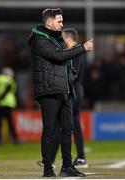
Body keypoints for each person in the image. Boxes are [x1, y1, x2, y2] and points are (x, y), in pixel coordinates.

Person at [29, 8, 93, 177]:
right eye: (59, 21)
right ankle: (48, 169)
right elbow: (58, 56)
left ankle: (67, 167)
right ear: (49, 22)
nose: (62, 24)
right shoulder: (39, 40)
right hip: (48, 90)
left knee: (67, 128)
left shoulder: (55, 39)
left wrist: (71, 76)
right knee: (50, 130)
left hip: (63, 89)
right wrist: (82, 48)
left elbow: (63, 61)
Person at [0, 67, 20, 145]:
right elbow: (8, 90)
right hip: (7, 103)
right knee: (10, 122)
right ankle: (15, 139)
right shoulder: (10, 80)